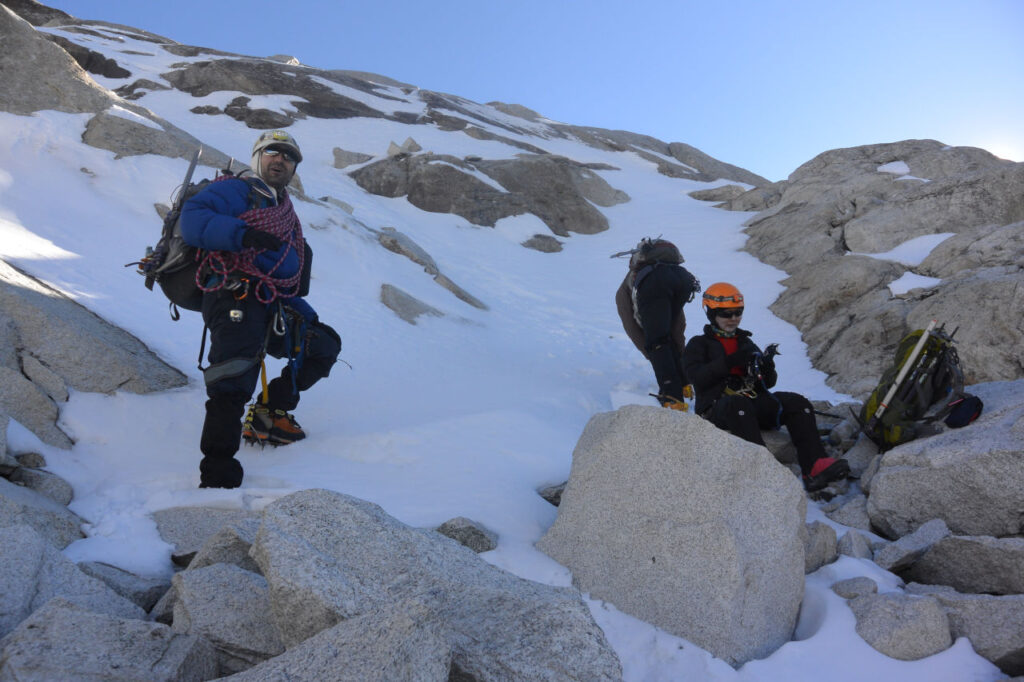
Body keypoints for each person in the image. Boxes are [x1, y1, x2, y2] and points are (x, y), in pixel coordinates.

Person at [181, 130, 341, 489]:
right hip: (233, 292)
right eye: (272, 151)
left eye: (288, 156)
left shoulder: (283, 207)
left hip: (273, 300)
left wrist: (308, 316)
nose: (280, 159)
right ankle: (217, 472)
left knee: (323, 346)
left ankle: (270, 412)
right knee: (234, 376)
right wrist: (240, 234)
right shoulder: (235, 190)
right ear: (257, 157)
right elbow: (192, 219)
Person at [682, 282, 849, 491]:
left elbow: (768, 383)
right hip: (718, 406)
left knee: (797, 403)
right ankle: (763, 471)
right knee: (737, 404)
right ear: (710, 313)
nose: (733, 318)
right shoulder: (698, 344)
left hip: (750, 401)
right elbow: (696, 377)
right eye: (726, 313)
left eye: (738, 312)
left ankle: (815, 466)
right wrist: (730, 362)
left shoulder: (745, 342)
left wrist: (767, 366)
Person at [615, 238, 700, 410]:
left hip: (662, 284)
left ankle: (672, 397)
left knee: (657, 343)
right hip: (684, 279)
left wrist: (651, 352)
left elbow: (632, 326)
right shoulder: (665, 271)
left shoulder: (633, 286)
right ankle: (685, 386)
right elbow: (677, 327)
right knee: (666, 338)